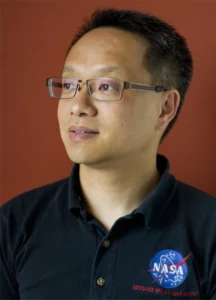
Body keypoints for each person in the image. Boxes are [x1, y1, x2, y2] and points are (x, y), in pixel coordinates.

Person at [0, 8, 215, 300]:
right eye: (70, 84)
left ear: (165, 107)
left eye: (105, 86)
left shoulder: (208, 231)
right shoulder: (14, 225)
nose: (78, 105)